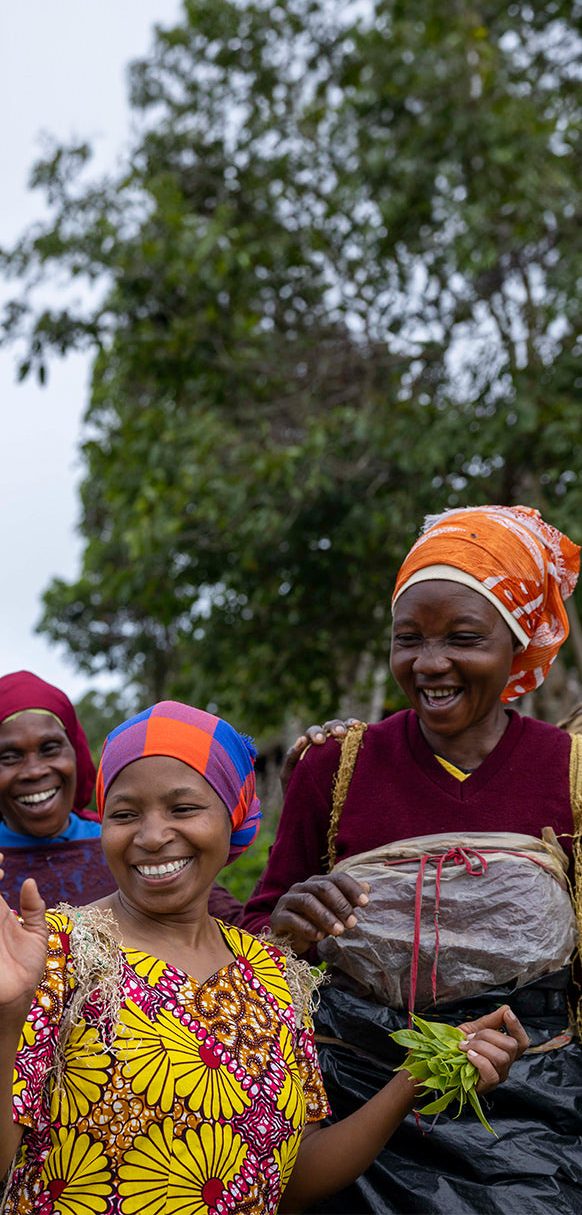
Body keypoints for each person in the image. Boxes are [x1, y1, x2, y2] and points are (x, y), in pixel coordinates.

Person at [0, 701, 526, 1214]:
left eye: (184, 809)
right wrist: (5, 1012)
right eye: (125, 813)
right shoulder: (53, 953)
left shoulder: (271, 974)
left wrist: (410, 1080)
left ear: (234, 818)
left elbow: (288, 1183)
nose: (152, 834)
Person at [243, 503, 582, 1213]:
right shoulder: (335, 768)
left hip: (531, 1117)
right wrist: (289, 928)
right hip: (354, 1105)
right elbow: (254, 943)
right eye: (409, 640)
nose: (430, 664)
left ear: (518, 642)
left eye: (464, 638)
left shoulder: (568, 771)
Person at [0, 670, 245, 1027]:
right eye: (9, 757)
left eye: (50, 749)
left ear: (75, 753)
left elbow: (240, 940)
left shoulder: (133, 848)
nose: (34, 771)